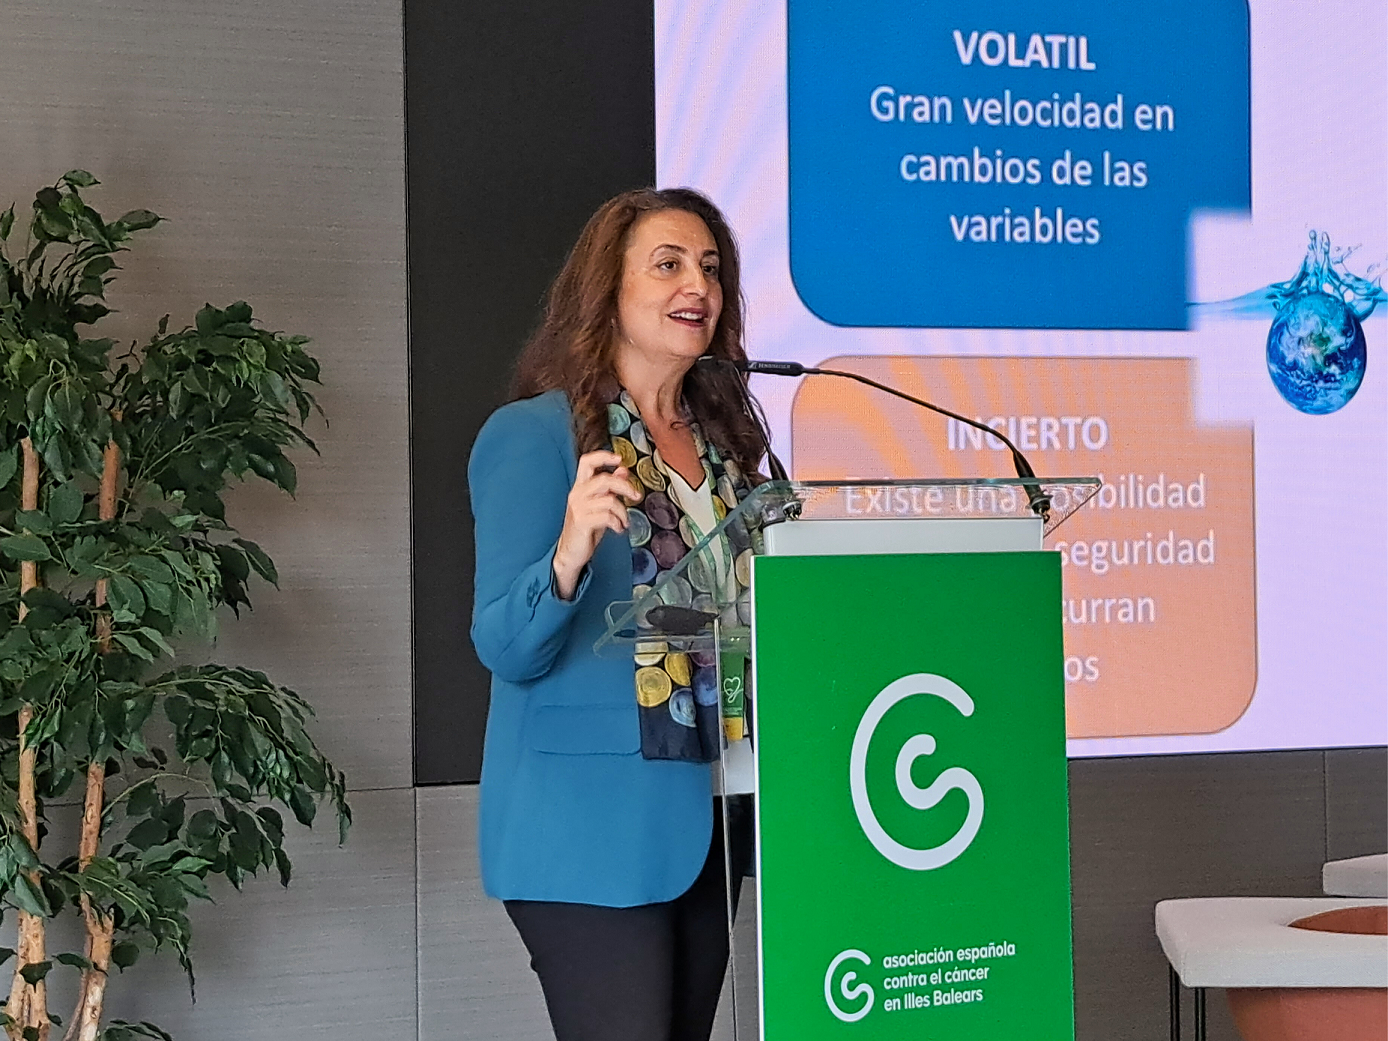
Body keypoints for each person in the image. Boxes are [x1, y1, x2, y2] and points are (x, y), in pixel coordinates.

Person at [468, 188, 770, 1041]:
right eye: (668, 265)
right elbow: (504, 643)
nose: (697, 285)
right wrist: (568, 552)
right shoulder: (536, 436)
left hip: (711, 814)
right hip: (586, 826)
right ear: (608, 291)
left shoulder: (729, 450)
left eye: (709, 268)